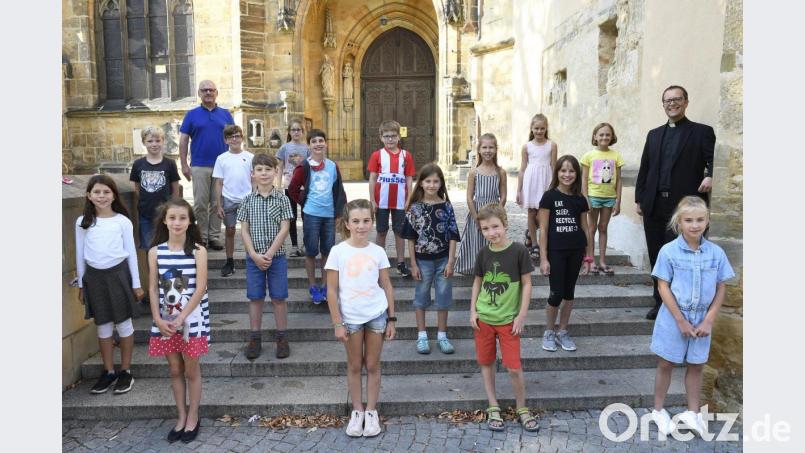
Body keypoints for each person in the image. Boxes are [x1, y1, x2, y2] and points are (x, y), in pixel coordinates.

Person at [649, 196, 734, 437]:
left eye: (699, 220)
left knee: (696, 365)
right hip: (674, 318)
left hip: (702, 320)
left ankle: (693, 413)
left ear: (707, 222)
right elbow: (662, 287)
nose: (694, 225)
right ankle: (658, 409)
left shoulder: (716, 253)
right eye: (688, 220)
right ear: (679, 223)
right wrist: (680, 320)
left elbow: (721, 287)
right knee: (666, 362)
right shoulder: (669, 251)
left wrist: (709, 319)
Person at [636, 85, 715, 320]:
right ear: (663, 105)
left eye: (677, 99)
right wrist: (640, 198)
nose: (672, 104)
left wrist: (710, 174)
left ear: (686, 102)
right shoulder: (653, 134)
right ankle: (659, 302)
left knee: (681, 257)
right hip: (654, 205)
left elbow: (713, 159)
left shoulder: (702, 132)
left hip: (684, 209)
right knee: (657, 255)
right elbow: (645, 169)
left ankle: (680, 304)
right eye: (667, 100)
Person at [324, 199, 396, 438]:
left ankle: (371, 411)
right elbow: (331, 291)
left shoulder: (378, 251)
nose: (361, 226)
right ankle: (357, 411)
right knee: (355, 365)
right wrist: (337, 323)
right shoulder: (338, 251)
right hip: (351, 318)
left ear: (372, 223)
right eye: (356, 221)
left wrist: (392, 318)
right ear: (347, 223)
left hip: (376, 315)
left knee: (373, 364)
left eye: (366, 221)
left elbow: (386, 283)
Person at [470, 203, 539, 433]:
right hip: (484, 320)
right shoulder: (483, 253)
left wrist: (521, 315)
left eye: (495, 226)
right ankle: (493, 405)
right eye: (486, 229)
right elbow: (478, 282)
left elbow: (528, 283)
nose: (491, 233)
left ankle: (521, 407)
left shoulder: (519, 251)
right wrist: (473, 311)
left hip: (509, 320)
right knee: (487, 362)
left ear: (505, 224)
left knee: (513, 367)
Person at [146, 199, 209, 444]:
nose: (177, 222)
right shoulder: (155, 251)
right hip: (164, 321)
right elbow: (152, 288)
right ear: (164, 220)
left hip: (191, 320)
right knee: (174, 370)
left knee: (191, 370)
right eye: (172, 218)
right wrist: (157, 319)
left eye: (182, 218)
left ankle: (193, 415)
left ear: (190, 221)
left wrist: (181, 317)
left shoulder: (198, 251)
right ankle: (180, 416)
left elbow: (200, 287)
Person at [75, 175, 144, 395]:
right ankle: (108, 371)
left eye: (106, 192)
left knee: (124, 325)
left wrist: (136, 283)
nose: (102, 196)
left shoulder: (122, 221)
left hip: (119, 276)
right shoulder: (82, 222)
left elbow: (132, 255)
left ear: (114, 195)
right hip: (94, 279)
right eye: (97, 192)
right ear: (89, 195)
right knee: (103, 326)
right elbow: (80, 254)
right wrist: (81, 284)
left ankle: (125, 371)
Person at [236, 154, 294, 360]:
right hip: (254, 259)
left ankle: (281, 337)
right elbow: (244, 230)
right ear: (252, 173)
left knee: (279, 297)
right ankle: (255, 337)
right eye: (259, 169)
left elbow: (285, 228)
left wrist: (268, 254)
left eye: (268, 169)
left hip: (276, 258)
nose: (264, 173)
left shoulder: (282, 199)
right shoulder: (247, 201)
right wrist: (253, 254)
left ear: (275, 172)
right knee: (255, 298)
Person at [401, 164, 460, 355]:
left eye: (436, 181)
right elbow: (410, 238)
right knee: (421, 297)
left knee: (443, 298)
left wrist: (451, 261)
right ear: (421, 183)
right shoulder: (414, 208)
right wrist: (413, 264)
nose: (432, 185)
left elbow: (452, 235)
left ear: (441, 183)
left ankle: (442, 335)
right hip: (422, 261)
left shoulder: (446, 206)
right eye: (428, 181)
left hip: (443, 259)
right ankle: (422, 336)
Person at [538, 155, 593, 352]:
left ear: (577, 174)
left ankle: (563, 331)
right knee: (556, 293)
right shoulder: (549, 197)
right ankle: (549, 331)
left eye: (571, 171)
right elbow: (543, 229)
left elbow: (585, 229)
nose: (567, 174)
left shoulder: (580, 199)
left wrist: (588, 257)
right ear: (557, 173)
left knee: (569, 293)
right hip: (556, 252)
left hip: (576, 251)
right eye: (563, 170)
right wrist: (543, 258)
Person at [288, 129, 348, 304]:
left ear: (326, 143)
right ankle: (313, 285)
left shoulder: (332, 166)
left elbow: (339, 191)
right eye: (314, 141)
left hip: (329, 215)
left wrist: (339, 213)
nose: (318, 144)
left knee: (327, 251)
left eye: (321, 140)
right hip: (311, 215)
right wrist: (304, 204)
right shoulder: (304, 167)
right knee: (311, 251)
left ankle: (325, 286)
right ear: (309, 145)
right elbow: (292, 189)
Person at [179, 80, 235, 250]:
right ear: (199, 93)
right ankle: (201, 237)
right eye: (204, 90)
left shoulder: (226, 114)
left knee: (218, 203)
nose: (208, 92)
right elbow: (183, 140)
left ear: (216, 93)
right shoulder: (192, 114)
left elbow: (234, 138)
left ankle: (214, 237)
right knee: (201, 203)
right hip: (199, 165)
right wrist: (184, 165)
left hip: (222, 166)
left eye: (211, 90)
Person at [368, 120, 416, 278]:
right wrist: (372, 200)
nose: (390, 139)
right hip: (381, 200)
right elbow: (373, 178)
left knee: (399, 232)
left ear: (399, 137)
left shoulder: (406, 155)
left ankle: (401, 263)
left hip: (400, 201)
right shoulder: (377, 155)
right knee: (381, 231)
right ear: (381, 137)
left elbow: (409, 179)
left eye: (393, 136)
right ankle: (378, 262)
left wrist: (409, 198)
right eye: (387, 136)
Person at [454, 133, 507, 275]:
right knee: (476, 242)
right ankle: (476, 270)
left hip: (494, 211)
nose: (488, 151)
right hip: (477, 212)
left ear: (496, 149)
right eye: (484, 147)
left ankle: (492, 269)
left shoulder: (500, 172)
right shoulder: (474, 172)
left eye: (491, 147)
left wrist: (498, 212)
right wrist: (476, 217)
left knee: (494, 240)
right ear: (479, 149)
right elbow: (469, 198)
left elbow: (503, 195)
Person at [580, 123, 625, 275]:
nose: (604, 137)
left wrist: (618, 200)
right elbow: (584, 178)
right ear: (595, 137)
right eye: (601, 134)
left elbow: (619, 180)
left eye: (607, 134)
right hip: (593, 197)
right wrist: (585, 198)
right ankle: (590, 260)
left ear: (612, 137)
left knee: (603, 228)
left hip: (609, 198)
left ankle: (602, 261)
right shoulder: (589, 156)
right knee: (591, 229)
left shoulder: (616, 156)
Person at [212, 124, 254, 277]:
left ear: (242, 138)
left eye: (237, 136)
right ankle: (229, 261)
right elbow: (219, 182)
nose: (234, 139)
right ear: (226, 140)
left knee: (248, 231)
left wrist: (255, 198)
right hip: (229, 199)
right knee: (229, 231)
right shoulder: (221, 159)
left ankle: (252, 259)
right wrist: (219, 204)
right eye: (231, 137)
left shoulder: (250, 157)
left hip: (247, 199)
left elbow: (254, 179)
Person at [130, 126, 180, 250]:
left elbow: (175, 188)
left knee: (166, 245)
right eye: (150, 141)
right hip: (145, 213)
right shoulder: (138, 164)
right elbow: (136, 187)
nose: (154, 144)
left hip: (165, 214)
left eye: (158, 141)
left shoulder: (170, 163)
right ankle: (151, 270)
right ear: (144, 142)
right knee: (149, 246)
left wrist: (173, 207)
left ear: (163, 141)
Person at [516, 113, 557, 261]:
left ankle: (531, 233)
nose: (539, 131)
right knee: (532, 213)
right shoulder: (527, 147)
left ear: (546, 129)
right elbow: (522, 169)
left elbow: (553, 166)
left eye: (542, 128)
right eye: (536, 128)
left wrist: (554, 186)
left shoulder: (551, 145)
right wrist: (519, 190)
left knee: (544, 214)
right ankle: (534, 244)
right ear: (531, 129)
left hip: (546, 181)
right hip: (531, 181)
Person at [276, 117, 310, 257]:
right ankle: (294, 245)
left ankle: (305, 244)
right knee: (292, 217)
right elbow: (280, 167)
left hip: (303, 187)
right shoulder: (285, 148)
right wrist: (278, 186)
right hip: (289, 186)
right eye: (293, 129)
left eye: (299, 130)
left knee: (306, 216)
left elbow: (309, 168)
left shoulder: (307, 148)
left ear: (302, 131)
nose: (296, 132)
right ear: (289, 132)